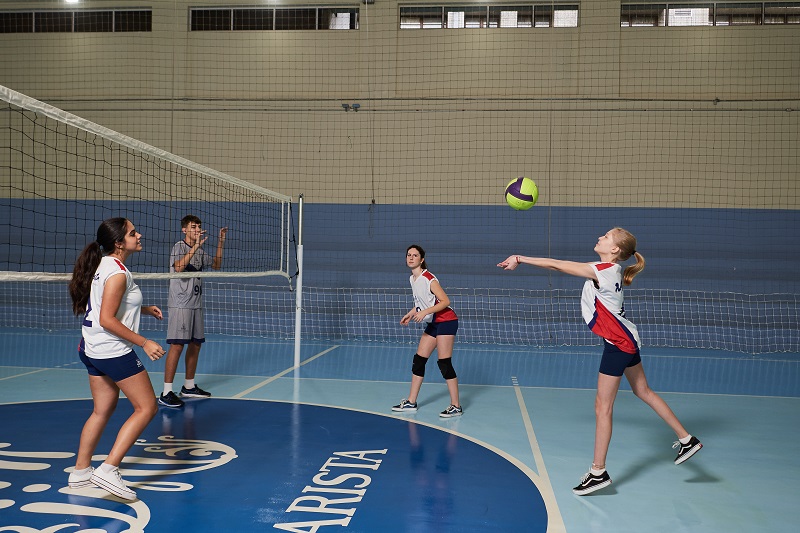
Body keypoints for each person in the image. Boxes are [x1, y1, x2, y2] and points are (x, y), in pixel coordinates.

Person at [498, 227, 702, 495]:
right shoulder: (613, 269)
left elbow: (558, 265)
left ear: (615, 249)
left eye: (605, 237)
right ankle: (687, 439)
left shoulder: (603, 270)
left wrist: (520, 258)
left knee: (602, 407)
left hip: (618, 344)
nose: (599, 238)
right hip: (626, 339)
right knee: (643, 391)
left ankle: (598, 471)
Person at [67, 217, 165, 501]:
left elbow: (104, 305)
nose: (139, 234)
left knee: (102, 410)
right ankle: (108, 469)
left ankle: (81, 471)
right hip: (111, 350)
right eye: (134, 233)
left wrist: (143, 309)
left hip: (91, 348)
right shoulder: (118, 273)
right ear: (119, 243)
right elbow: (107, 318)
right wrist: (145, 342)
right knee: (146, 408)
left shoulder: (103, 265)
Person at [159, 215, 227, 408]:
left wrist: (220, 242)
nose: (197, 229)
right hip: (181, 305)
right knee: (177, 345)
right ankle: (166, 392)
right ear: (184, 230)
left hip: (196, 304)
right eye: (193, 226)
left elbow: (216, 265)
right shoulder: (178, 247)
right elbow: (179, 268)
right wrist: (196, 246)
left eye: (199, 226)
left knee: (196, 344)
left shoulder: (200, 250)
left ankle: (188, 386)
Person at [393, 245, 463, 418]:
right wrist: (411, 314)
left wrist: (424, 312)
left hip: (446, 320)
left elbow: (445, 301)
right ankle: (411, 402)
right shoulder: (412, 279)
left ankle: (456, 406)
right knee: (419, 360)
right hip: (434, 321)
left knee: (444, 363)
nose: (411, 258)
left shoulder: (428, 278)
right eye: (408, 255)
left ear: (421, 259)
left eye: (415, 255)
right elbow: (422, 302)